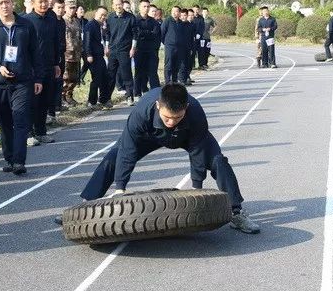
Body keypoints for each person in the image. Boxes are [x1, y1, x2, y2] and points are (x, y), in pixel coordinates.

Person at [76, 84, 260, 234]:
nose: (171, 122)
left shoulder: (195, 113)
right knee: (113, 157)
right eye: (167, 117)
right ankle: (85, 208)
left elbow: (197, 151)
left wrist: (197, 190)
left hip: (186, 136)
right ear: (158, 106)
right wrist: (120, 188)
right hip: (150, 135)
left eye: (177, 117)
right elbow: (128, 151)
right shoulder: (141, 112)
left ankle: (237, 213)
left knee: (218, 161)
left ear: (185, 108)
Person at [0, 0, 43, 175]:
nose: (5, 6)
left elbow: (35, 53)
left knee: (20, 119)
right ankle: (9, 158)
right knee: (5, 122)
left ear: (13, 2)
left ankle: (19, 162)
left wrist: (38, 78)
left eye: (7, 2)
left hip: (23, 81)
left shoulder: (26, 25)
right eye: (0, 3)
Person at [24, 0, 59, 146]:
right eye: (40, 2)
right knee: (32, 101)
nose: (44, 4)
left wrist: (57, 63)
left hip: (49, 66)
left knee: (45, 100)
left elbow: (56, 42)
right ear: (33, 3)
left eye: (46, 1)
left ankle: (41, 131)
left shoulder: (52, 19)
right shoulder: (26, 21)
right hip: (32, 69)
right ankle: (28, 133)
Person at [106, 0, 135, 103]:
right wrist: (107, 46)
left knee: (126, 74)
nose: (118, 6)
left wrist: (133, 48)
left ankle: (129, 96)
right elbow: (107, 34)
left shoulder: (130, 17)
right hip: (112, 50)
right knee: (110, 74)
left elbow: (135, 35)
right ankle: (107, 98)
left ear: (123, 4)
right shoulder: (110, 17)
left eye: (120, 4)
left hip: (125, 50)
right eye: (116, 4)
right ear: (113, 6)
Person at [130, 0, 161, 99]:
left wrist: (143, 33)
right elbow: (136, 33)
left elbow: (155, 34)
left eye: (148, 6)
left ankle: (156, 93)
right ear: (139, 7)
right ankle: (137, 93)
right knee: (139, 72)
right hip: (139, 50)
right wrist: (148, 33)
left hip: (151, 51)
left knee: (153, 72)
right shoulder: (135, 20)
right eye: (144, 6)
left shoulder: (153, 22)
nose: (146, 8)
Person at [83, 7, 108, 109]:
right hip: (93, 56)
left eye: (105, 15)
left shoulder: (100, 26)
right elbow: (87, 41)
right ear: (96, 13)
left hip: (100, 55)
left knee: (104, 77)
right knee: (96, 79)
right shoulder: (90, 25)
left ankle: (103, 99)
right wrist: (89, 54)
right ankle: (91, 102)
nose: (103, 17)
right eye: (101, 14)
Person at [62, 0, 82, 107]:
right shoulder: (62, 21)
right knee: (65, 77)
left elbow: (79, 38)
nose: (72, 10)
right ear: (65, 8)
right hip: (66, 54)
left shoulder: (76, 21)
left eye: (74, 7)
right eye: (70, 7)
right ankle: (63, 97)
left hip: (76, 54)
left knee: (74, 78)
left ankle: (70, 96)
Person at [161, 5, 184, 85]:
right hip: (170, 46)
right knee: (169, 64)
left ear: (179, 13)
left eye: (176, 11)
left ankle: (174, 81)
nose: (174, 13)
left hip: (179, 47)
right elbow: (162, 33)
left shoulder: (181, 23)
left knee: (176, 64)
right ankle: (167, 82)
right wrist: (167, 43)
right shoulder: (167, 20)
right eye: (173, 11)